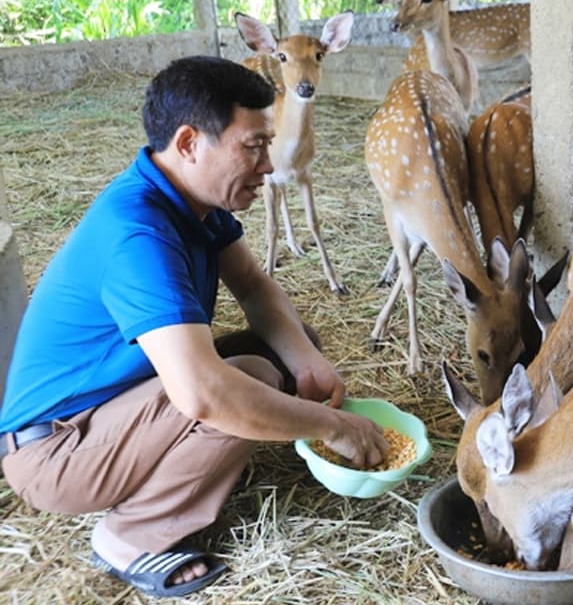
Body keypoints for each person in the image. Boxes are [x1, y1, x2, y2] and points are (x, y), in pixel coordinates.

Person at [0, 56, 388, 598]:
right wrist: (334, 427)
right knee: (244, 380)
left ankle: (182, 469)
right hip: (55, 452)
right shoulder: (138, 233)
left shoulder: (190, 200)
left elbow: (252, 284)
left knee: (283, 355)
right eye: (252, 147)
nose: (269, 166)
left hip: (115, 401)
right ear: (188, 143)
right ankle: (131, 537)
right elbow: (205, 395)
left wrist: (306, 360)